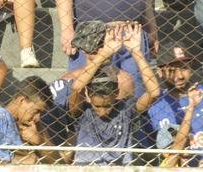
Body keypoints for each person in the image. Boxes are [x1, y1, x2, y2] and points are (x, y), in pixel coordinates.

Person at [67, 23, 161, 166]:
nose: (103, 112)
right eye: (97, 106)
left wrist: (137, 52)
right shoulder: (82, 113)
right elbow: (76, 88)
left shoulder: (127, 110)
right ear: (88, 95)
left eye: (108, 105)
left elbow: (154, 92)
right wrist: (104, 54)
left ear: (117, 93)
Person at [149, 45, 203, 156]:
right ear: (160, 71)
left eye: (184, 68)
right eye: (172, 70)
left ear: (191, 68)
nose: (180, 76)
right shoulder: (155, 102)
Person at [0, 76, 55, 165]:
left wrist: (40, 142)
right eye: (36, 111)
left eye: (41, 113)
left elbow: (58, 160)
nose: (38, 117)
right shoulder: (0, 117)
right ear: (22, 100)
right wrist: (17, 160)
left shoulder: (35, 124)